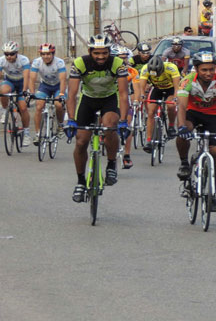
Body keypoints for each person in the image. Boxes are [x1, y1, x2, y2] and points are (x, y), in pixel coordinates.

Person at [65, 35, 131, 203]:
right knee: (81, 142)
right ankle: (80, 181)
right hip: (88, 100)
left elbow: (123, 94)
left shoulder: (117, 63)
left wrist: (123, 120)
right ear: (90, 52)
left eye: (104, 53)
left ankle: (110, 165)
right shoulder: (80, 63)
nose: (101, 57)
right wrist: (71, 120)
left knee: (109, 125)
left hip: (110, 99)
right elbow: (72, 94)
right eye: (97, 53)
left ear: (109, 51)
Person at [175, 52, 216, 213]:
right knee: (183, 131)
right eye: (204, 70)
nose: (208, 73)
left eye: (211, 69)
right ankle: (183, 163)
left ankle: (212, 194)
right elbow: (181, 106)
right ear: (196, 69)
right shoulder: (187, 81)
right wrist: (181, 126)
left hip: (211, 116)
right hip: (191, 113)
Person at [139, 56, 181, 154]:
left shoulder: (171, 68)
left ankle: (171, 126)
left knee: (171, 106)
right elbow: (142, 87)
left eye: (158, 73)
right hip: (157, 89)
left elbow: (177, 87)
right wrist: (142, 95)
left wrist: (175, 98)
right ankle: (149, 141)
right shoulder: (145, 68)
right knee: (150, 112)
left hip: (170, 89)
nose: (157, 76)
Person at [30, 43, 66, 145]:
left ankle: (60, 125)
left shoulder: (59, 62)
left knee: (58, 105)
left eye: (49, 54)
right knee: (39, 106)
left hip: (58, 86)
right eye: (43, 54)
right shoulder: (37, 62)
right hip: (45, 86)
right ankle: (37, 134)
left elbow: (63, 80)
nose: (46, 56)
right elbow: (32, 78)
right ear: (41, 54)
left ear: (53, 54)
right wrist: (32, 93)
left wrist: (62, 94)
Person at [0, 41, 32, 146]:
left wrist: (24, 91)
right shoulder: (1, 61)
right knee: (3, 91)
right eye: (6, 54)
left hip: (22, 83)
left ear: (16, 53)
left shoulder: (23, 60)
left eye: (12, 54)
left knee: (22, 107)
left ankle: (26, 133)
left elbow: (27, 76)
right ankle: (4, 110)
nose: (9, 56)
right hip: (10, 81)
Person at [113, 45, 140, 168]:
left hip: (125, 99)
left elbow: (136, 88)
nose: (123, 60)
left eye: (125, 58)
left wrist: (136, 101)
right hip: (111, 99)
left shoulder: (132, 71)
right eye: (120, 58)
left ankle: (127, 155)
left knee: (128, 126)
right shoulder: (110, 70)